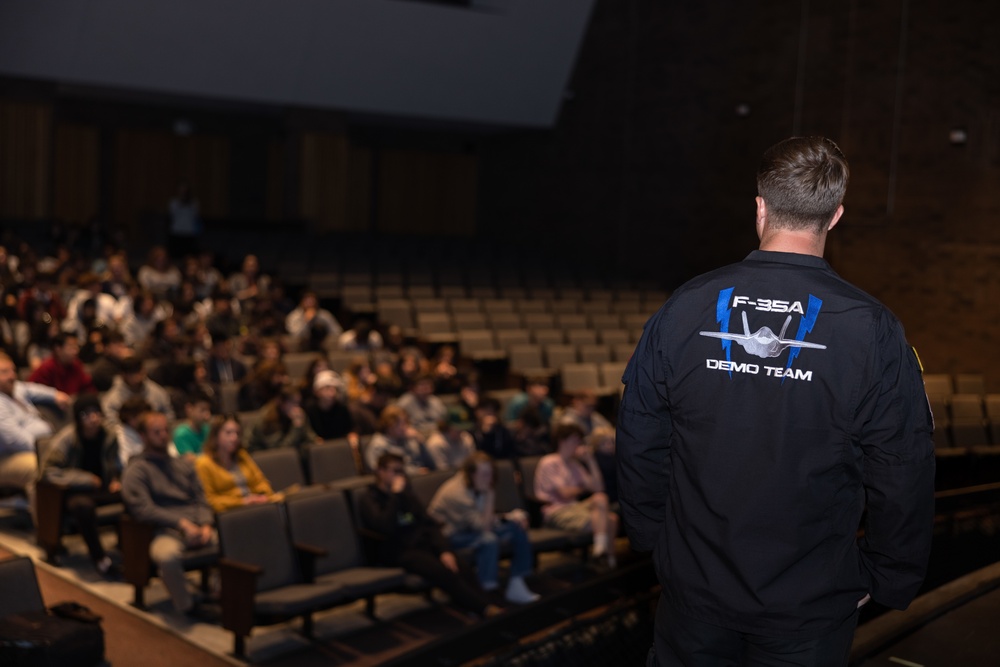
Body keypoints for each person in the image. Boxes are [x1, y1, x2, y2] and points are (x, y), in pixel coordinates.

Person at [616, 136, 935, 666]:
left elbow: (641, 434)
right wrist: (888, 574)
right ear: (834, 216)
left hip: (696, 586)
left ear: (760, 207)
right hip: (808, 600)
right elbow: (903, 466)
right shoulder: (871, 329)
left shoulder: (687, 306)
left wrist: (653, 538)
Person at [359, 452, 501, 619]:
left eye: (402, 471)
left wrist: (444, 550)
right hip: (397, 551)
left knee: (460, 566)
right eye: (395, 471)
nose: (400, 476)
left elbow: (429, 524)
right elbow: (383, 526)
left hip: (421, 544)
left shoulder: (407, 495)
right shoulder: (369, 498)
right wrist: (395, 496)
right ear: (380, 472)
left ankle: (485, 605)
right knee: (443, 572)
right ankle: (483, 609)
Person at [121, 411, 216, 616]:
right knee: (168, 556)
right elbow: (143, 510)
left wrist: (206, 524)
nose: (163, 436)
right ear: (143, 436)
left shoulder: (183, 464)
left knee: (234, 542)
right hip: (163, 530)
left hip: (197, 525)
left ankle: (221, 597)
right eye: (156, 432)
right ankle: (187, 606)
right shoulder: (137, 470)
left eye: (165, 431)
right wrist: (180, 523)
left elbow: (201, 498)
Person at [428, 452, 539, 604]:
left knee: (517, 527)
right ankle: (486, 590)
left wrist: (511, 517)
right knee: (488, 539)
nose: (489, 479)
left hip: (469, 528)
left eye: (490, 474)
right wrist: (490, 494)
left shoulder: (476, 483)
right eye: (484, 474)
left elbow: (484, 518)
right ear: (470, 473)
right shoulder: (457, 494)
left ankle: (517, 581)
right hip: (448, 537)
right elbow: (483, 527)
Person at [40, 394, 122, 577]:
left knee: (133, 495)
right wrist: (84, 479)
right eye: (86, 414)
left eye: (96, 413)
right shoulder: (68, 438)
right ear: (78, 418)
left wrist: (117, 478)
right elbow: (48, 471)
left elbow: (116, 463)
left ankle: (130, 553)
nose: (93, 419)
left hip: (104, 488)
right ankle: (99, 559)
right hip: (74, 491)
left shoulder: (109, 436)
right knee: (82, 506)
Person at [534, 422, 618, 568]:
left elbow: (599, 488)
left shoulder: (575, 464)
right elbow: (565, 493)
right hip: (556, 511)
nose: (579, 444)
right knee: (610, 520)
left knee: (601, 498)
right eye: (575, 440)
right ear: (563, 441)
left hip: (574, 507)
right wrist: (581, 487)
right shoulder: (549, 462)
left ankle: (601, 552)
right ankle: (607, 561)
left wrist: (590, 460)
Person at [0, 351, 70, 520]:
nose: (12, 376)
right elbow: (17, 440)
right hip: (9, 458)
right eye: (4, 372)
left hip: (38, 446)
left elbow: (33, 389)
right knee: (37, 468)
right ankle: (45, 528)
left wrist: (55, 395)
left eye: (13, 371)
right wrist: (49, 450)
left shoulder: (15, 389)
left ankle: (64, 516)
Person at [195, 414, 281, 513]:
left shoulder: (242, 455)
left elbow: (260, 481)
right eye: (228, 433)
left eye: (237, 433)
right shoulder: (203, 463)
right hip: (231, 514)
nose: (234, 437)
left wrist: (263, 495)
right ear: (216, 435)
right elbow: (210, 500)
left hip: (256, 507)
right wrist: (243, 502)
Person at [101, 355, 175, 429]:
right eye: (131, 373)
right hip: (126, 436)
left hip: (155, 434)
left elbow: (169, 416)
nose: (136, 377)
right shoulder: (111, 398)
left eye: (138, 371)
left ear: (143, 371)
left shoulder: (157, 392)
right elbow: (111, 424)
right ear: (123, 375)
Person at [364, 405, 434, 474]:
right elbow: (382, 472)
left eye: (406, 423)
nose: (406, 427)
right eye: (402, 424)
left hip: (419, 478)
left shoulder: (409, 439)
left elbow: (431, 465)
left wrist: (420, 442)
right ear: (390, 425)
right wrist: (415, 472)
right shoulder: (378, 445)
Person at [27, 331, 97, 396]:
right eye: (71, 347)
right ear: (58, 349)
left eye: (76, 347)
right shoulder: (47, 367)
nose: (75, 351)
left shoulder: (76, 365)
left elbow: (88, 388)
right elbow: (32, 391)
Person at [172, 391, 213, 460]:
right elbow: (190, 460)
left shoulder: (208, 429)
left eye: (208, 410)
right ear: (189, 409)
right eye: (202, 410)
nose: (207, 415)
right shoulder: (181, 434)